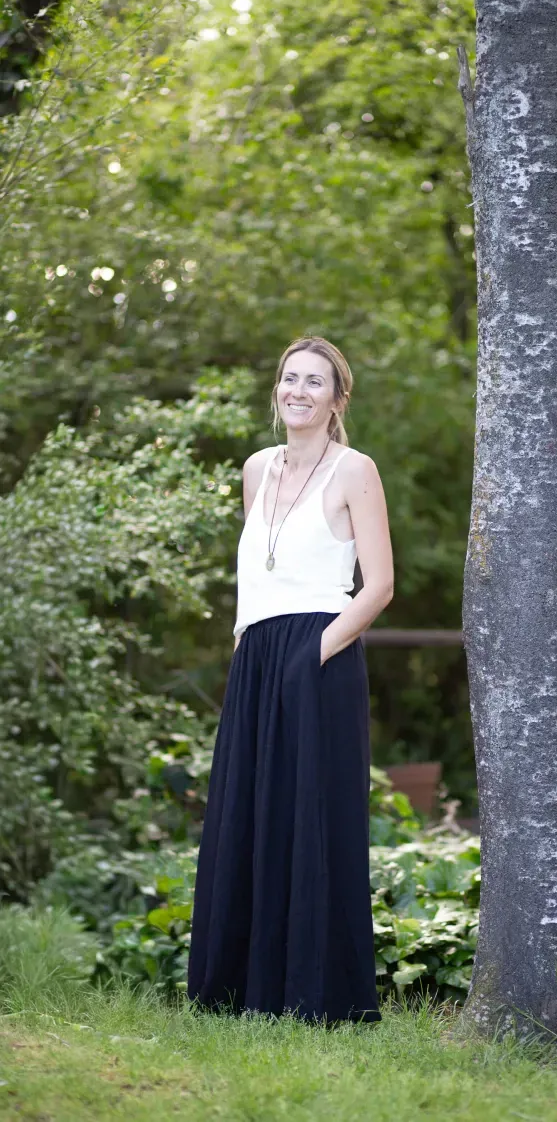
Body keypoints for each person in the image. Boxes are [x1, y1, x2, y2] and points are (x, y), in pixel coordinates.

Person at [187, 335, 394, 1025]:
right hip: (257, 653)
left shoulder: (354, 470)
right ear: (277, 389)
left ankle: (316, 995)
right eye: (289, 378)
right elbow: (259, 568)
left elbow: (381, 584)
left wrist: (315, 654)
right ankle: (240, 990)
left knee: (312, 820)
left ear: (338, 399)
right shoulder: (255, 468)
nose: (298, 390)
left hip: (321, 653)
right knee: (249, 813)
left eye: (316, 381)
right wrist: (246, 640)